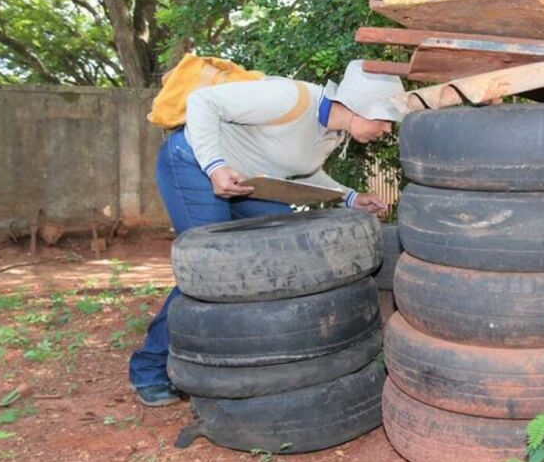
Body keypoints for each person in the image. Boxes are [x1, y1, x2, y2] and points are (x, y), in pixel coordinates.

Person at [129, 60, 405, 406]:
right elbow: (204, 103)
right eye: (385, 120)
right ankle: (149, 369)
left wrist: (348, 196)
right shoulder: (291, 98)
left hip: (249, 184)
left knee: (282, 254)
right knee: (210, 271)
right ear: (360, 106)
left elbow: (301, 172)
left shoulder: (332, 133)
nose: (386, 130)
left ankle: (255, 353)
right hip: (194, 166)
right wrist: (215, 166)